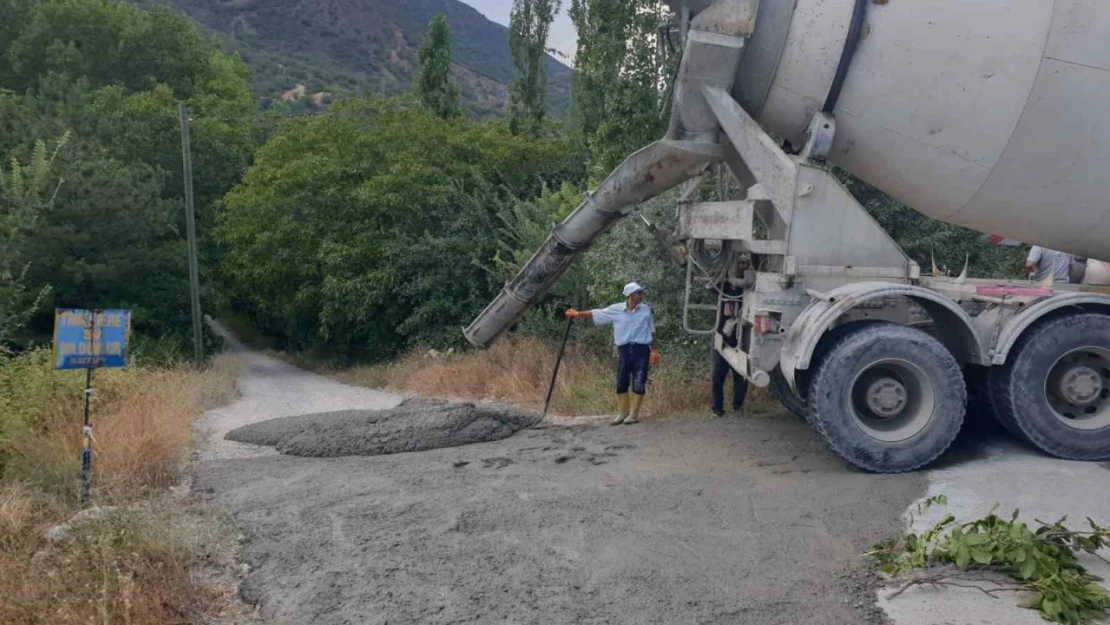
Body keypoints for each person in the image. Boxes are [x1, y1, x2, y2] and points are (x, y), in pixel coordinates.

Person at [565, 282, 659, 425]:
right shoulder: (616, 310)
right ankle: (623, 413)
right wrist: (578, 314)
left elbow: (651, 330)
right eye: (639, 293)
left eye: (641, 293)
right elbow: (597, 313)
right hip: (624, 349)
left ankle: (633, 415)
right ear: (630, 295)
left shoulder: (645, 310)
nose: (642, 295)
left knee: (639, 380)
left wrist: (654, 350)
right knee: (621, 381)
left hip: (641, 349)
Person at [711, 288, 747, 418]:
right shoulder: (720, 315)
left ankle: (738, 405)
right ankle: (717, 409)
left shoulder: (744, 308)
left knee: (741, 376)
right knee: (717, 376)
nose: (730, 308)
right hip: (722, 344)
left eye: (733, 305)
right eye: (728, 305)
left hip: (739, 344)